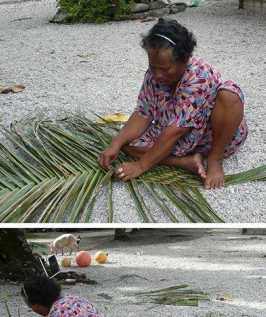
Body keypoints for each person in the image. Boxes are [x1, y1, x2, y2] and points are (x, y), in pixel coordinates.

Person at [97, 18, 248, 189]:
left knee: (229, 95)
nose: (158, 75)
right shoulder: (153, 75)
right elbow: (143, 112)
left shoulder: (198, 76)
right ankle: (184, 162)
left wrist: (140, 166)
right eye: (153, 67)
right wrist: (115, 144)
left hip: (213, 133)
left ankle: (215, 159)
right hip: (175, 131)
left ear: (184, 61)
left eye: (165, 69)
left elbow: (176, 132)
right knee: (127, 145)